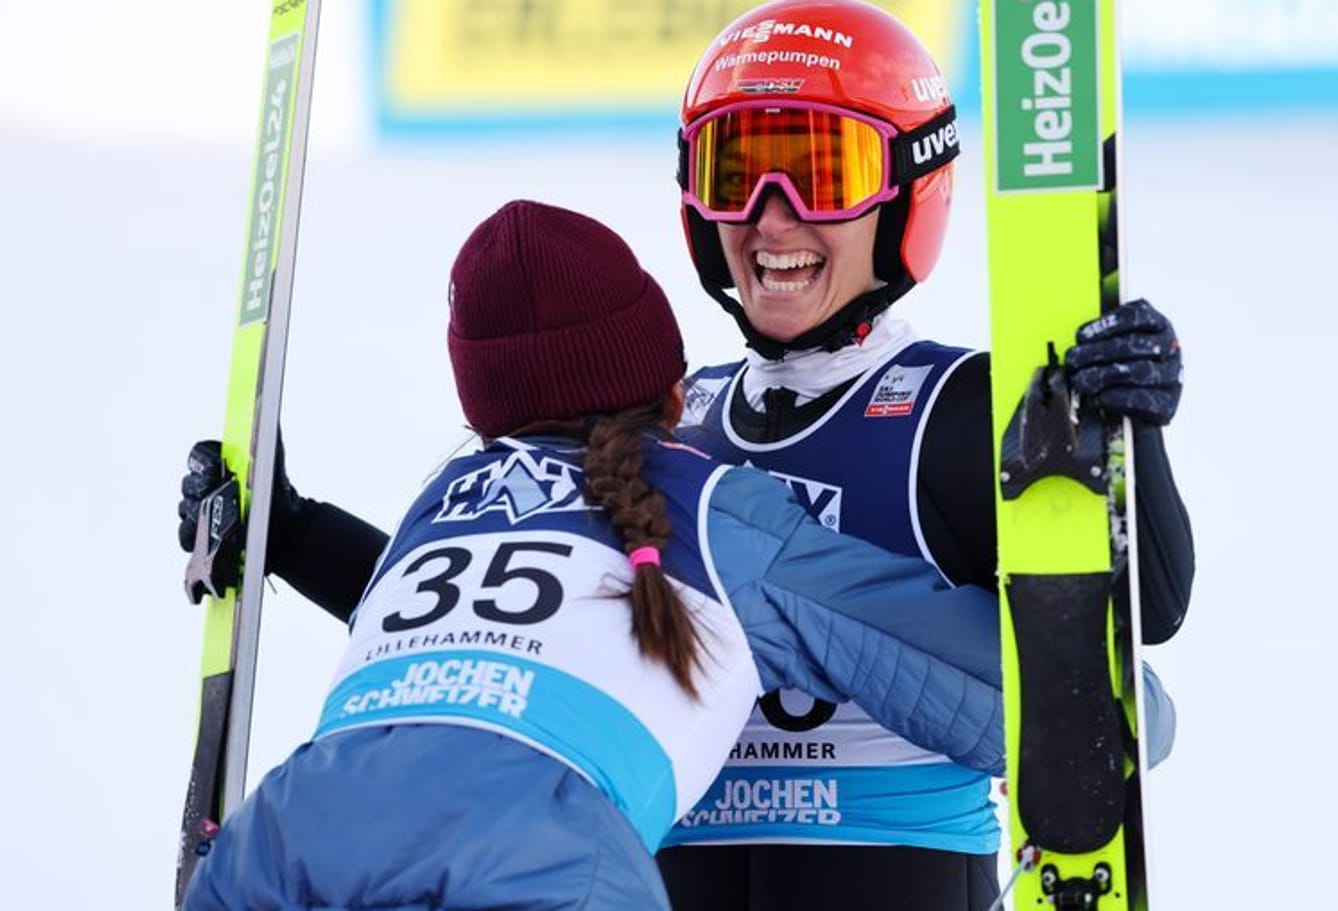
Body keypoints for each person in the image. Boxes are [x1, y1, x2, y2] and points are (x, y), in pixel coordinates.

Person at [178, 2, 1193, 909]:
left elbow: (1147, 607)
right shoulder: (664, 423)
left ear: (904, 194)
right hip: (659, 865)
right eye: (737, 173)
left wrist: (1128, 435)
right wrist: (292, 530)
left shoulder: (952, 404)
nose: (770, 216)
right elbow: (507, 625)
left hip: (890, 867)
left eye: (822, 174)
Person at [179, 199, 1011, 911]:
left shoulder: (444, 498)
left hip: (276, 843)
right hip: (548, 869)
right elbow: (992, 694)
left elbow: (472, 657)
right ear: (675, 393)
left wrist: (286, 533)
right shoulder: (718, 514)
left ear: (481, 414)